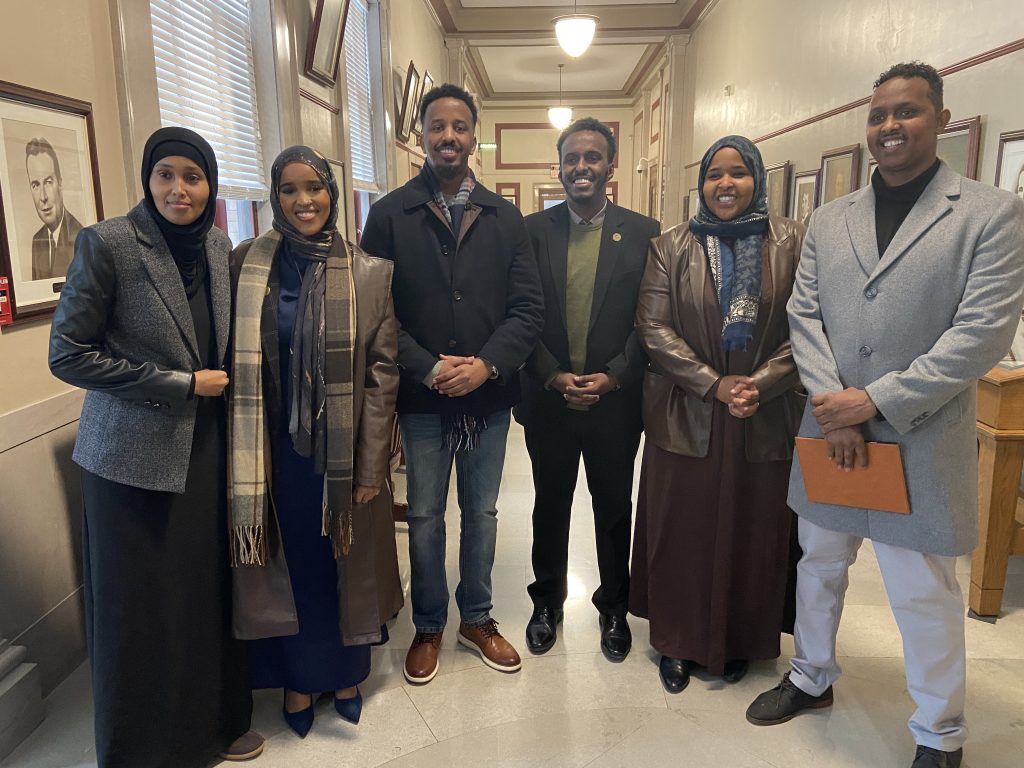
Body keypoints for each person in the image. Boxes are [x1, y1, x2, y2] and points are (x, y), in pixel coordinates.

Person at [746, 62, 1024, 768]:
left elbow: (981, 334)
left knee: (923, 590)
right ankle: (811, 676)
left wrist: (874, 401)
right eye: (878, 115)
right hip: (830, 432)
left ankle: (940, 731)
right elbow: (805, 314)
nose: (890, 126)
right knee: (819, 563)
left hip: (920, 435)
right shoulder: (830, 219)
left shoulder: (989, 214)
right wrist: (834, 407)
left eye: (907, 112)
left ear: (941, 119)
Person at [48, 127, 262, 767]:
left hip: (205, 452)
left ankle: (215, 727)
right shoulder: (109, 243)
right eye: (165, 174)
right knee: (139, 607)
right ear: (148, 178)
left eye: (192, 177)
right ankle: (141, 750)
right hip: (128, 463)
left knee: (202, 595)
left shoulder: (217, 245)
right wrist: (179, 384)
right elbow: (68, 355)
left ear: (210, 184)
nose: (179, 189)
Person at [360, 84, 544, 684]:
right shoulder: (389, 215)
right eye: (437, 126)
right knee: (425, 516)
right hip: (423, 396)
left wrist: (486, 365)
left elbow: (528, 310)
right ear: (420, 135)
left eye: (459, 126)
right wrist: (429, 366)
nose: (448, 136)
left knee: (482, 512)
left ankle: (478, 618)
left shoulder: (505, 218)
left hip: (487, 398)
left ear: (473, 136)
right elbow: (375, 310)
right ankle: (429, 624)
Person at [228, 146, 403, 737]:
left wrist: (371, 465)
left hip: (341, 452)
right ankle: (298, 679)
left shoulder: (369, 272)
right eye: (289, 190)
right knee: (291, 564)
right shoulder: (247, 264)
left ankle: (346, 674)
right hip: (271, 453)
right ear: (274, 197)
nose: (304, 201)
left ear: (332, 192)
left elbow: (382, 375)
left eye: (315, 188)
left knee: (341, 564)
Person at [630, 135, 805, 694]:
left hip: (763, 413)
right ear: (701, 183)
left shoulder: (793, 241)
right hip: (688, 411)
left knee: (754, 531)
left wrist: (760, 383)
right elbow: (653, 328)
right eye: (714, 175)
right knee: (683, 531)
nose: (725, 184)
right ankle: (678, 641)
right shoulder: (670, 246)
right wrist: (714, 384)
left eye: (738, 173)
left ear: (758, 179)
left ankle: (739, 641)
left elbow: (809, 325)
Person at [519, 117, 659, 661]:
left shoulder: (645, 232)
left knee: (613, 509)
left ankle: (614, 608)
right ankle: (546, 602)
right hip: (548, 399)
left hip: (614, 403)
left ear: (610, 165)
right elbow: (519, 314)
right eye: (572, 159)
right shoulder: (531, 231)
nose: (582, 167)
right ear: (558, 168)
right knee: (549, 506)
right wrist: (552, 374)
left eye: (592, 157)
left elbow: (651, 320)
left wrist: (616, 374)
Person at [26, 137, 82, 279]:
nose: (43, 196)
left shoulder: (81, 236)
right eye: (35, 185)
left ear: (60, 183)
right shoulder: (37, 241)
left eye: (48, 182)